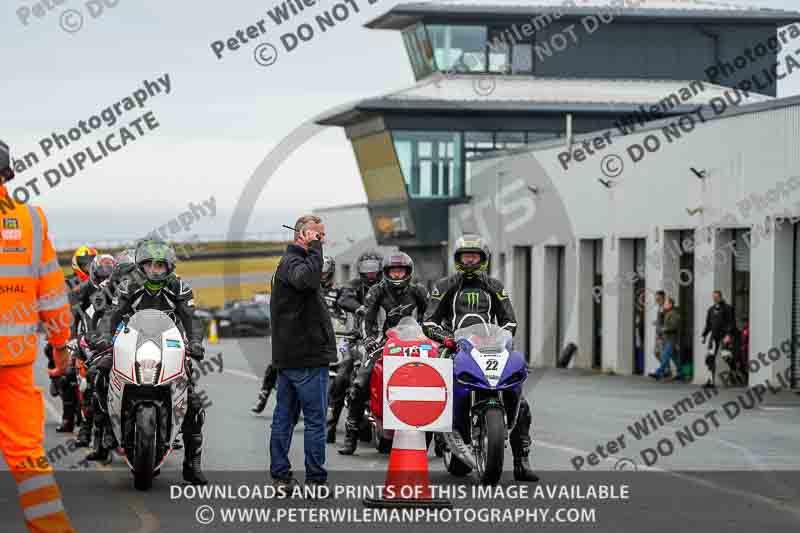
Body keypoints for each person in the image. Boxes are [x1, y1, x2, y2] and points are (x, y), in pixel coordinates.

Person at [0, 140, 77, 531]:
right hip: (12, 360)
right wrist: (60, 344)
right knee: (27, 452)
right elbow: (51, 291)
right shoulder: (30, 221)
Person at [422, 234, 538, 482]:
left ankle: (522, 459)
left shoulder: (495, 287)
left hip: (489, 346)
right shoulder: (444, 286)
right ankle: (429, 443)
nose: (470, 260)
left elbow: (510, 320)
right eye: (466, 256)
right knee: (432, 390)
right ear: (457, 259)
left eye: (475, 256)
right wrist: (446, 338)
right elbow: (429, 321)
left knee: (521, 400)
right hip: (454, 346)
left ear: (484, 258)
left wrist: (505, 337)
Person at [92, 239, 208, 484]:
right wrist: (103, 338)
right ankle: (105, 428)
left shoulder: (179, 287)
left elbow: (191, 319)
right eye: (150, 265)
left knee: (194, 403)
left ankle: (192, 463)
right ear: (141, 266)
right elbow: (111, 315)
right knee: (99, 372)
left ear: (169, 266)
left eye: (160, 265)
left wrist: (196, 343)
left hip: (169, 344)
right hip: (130, 340)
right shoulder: (127, 286)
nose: (155, 270)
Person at [338, 252, 429, 456]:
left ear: (408, 272)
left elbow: (430, 316)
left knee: (439, 376)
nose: (397, 276)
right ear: (386, 273)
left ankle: (442, 439)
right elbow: (367, 320)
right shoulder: (376, 291)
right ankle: (351, 435)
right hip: (384, 342)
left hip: (416, 341)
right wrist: (369, 340)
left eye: (401, 271)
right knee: (360, 382)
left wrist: (431, 337)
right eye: (393, 272)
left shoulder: (419, 290)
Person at [269, 215, 335, 494]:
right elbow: (307, 281)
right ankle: (316, 481)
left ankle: (281, 478)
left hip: (290, 358)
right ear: (305, 235)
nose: (323, 240)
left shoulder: (290, 262)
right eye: (319, 235)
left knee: (284, 418)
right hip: (306, 358)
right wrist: (315, 249)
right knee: (315, 421)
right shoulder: (295, 262)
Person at [325, 250, 382, 443]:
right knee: (342, 377)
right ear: (360, 270)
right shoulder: (355, 286)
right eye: (367, 270)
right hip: (358, 340)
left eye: (374, 269)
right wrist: (360, 308)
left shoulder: (387, 287)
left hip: (386, 341)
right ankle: (331, 426)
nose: (371, 274)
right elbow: (343, 299)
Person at [74, 254, 117, 448]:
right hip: (92, 342)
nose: (105, 280)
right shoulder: (84, 291)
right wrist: (79, 339)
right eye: (102, 276)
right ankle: (87, 430)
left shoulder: (124, 291)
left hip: (119, 342)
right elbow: (77, 317)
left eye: (110, 275)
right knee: (89, 382)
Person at [701, 290, 737, 389]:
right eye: (713, 297)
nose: (715, 298)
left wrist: (729, 334)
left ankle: (734, 373)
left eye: (716, 297)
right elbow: (708, 324)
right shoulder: (711, 310)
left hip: (724, 335)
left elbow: (731, 322)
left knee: (726, 355)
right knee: (709, 358)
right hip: (714, 336)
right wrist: (703, 335)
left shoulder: (728, 308)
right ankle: (710, 381)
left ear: (721, 297)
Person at [649, 297, 682, 381]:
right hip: (667, 338)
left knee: (665, 356)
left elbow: (674, 326)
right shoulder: (667, 313)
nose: (664, 305)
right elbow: (664, 322)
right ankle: (680, 373)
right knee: (674, 357)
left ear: (670, 304)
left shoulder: (674, 314)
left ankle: (658, 372)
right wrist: (658, 323)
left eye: (666, 304)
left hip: (671, 339)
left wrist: (665, 328)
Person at [652, 290, 669, 377]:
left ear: (663, 298)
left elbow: (667, 320)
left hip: (662, 334)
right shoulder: (660, 307)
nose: (657, 300)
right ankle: (666, 369)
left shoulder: (665, 308)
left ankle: (664, 370)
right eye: (656, 298)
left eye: (658, 298)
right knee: (657, 353)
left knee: (660, 353)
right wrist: (656, 322)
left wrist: (662, 329)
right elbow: (661, 319)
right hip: (658, 333)